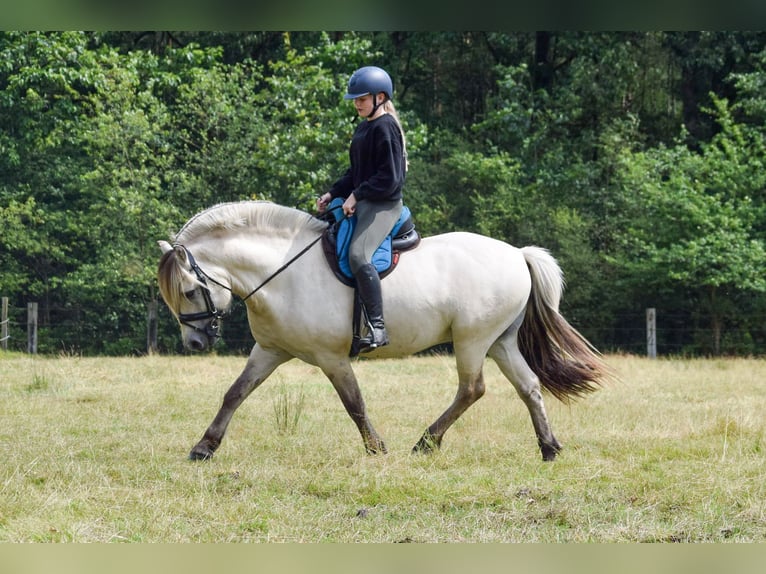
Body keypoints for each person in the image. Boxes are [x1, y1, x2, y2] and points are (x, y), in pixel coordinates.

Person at [317, 65, 408, 352]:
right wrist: (333, 192)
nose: (357, 103)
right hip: (364, 200)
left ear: (380, 97)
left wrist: (356, 195)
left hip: (383, 205)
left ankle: (378, 328)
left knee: (358, 255)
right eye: (355, 99)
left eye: (362, 98)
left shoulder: (387, 127)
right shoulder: (365, 126)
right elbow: (356, 172)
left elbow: (390, 178)